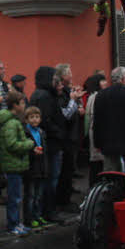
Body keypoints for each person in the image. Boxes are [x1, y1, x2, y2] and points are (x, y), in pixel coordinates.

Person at [30, 66, 64, 224]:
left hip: (45, 142)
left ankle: (43, 211)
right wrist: (59, 132)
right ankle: (48, 210)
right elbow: (47, 120)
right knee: (50, 179)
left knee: (46, 179)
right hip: (50, 143)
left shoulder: (38, 94)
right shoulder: (46, 96)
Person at [0, 91, 33, 237]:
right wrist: (28, 144)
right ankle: (13, 225)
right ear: (15, 105)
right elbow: (11, 144)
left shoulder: (14, 121)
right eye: (22, 103)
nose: (25, 105)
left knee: (16, 196)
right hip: (13, 164)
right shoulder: (12, 123)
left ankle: (17, 223)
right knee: (14, 197)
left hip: (15, 164)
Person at [54, 63, 83, 208]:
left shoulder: (67, 92)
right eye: (69, 73)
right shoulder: (62, 94)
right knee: (66, 170)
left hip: (72, 136)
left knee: (69, 169)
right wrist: (73, 100)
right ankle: (63, 200)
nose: (71, 76)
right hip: (66, 137)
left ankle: (66, 197)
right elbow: (65, 114)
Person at [22, 106, 48, 230]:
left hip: (41, 168)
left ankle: (37, 215)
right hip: (31, 168)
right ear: (26, 120)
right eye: (31, 117)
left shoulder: (41, 132)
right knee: (30, 195)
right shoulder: (26, 133)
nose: (34, 120)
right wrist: (33, 152)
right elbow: (26, 150)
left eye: (37, 117)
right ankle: (29, 218)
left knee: (39, 195)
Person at [82, 73, 107, 186]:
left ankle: (93, 185)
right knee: (98, 161)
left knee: (95, 160)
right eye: (102, 80)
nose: (105, 82)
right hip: (98, 130)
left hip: (93, 130)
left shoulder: (91, 96)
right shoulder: (98, 96)